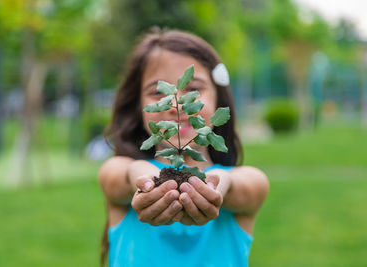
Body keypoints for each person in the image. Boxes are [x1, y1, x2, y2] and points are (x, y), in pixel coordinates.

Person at [98, 27, 269, 267]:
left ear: (218, 98)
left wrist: (218, 184)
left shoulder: (247, 181)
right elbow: (123, 177)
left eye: (193, 89)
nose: (175, 104)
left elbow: (243, 186)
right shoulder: (119, 170)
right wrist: (143, 178)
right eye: (158, 92)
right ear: (137, 107)